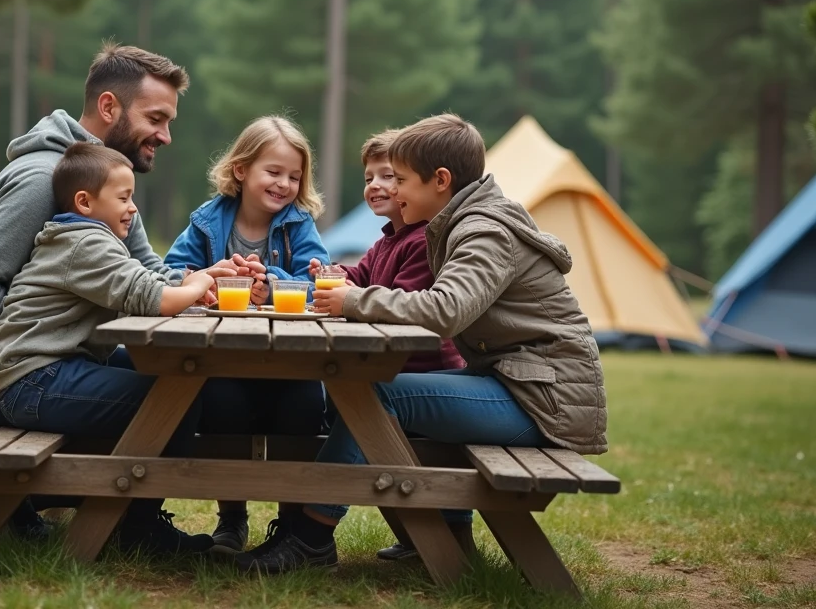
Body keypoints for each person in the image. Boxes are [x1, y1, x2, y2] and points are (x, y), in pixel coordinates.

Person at [234, 113, 609, 576]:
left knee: (375, 394)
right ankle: (442, 539)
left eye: (403, 180)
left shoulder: (485, 231)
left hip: (542, 401)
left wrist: (354, 300)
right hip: (520, 385)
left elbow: (445, 309)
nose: (395, 192)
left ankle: (310, 538)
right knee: (379, 392)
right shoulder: (459, 223)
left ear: (441, 181)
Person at [0, 43, 244, 541]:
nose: (165, 135)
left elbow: (144, 273)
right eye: (155, 118)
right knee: (168, 400)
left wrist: (204, 281)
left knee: (189, 380)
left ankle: (45, 505)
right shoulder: (42, 179)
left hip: (56, 360)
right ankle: (103, 521)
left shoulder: (105, 180)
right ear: (109, 106)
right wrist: (59, 342)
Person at [0, 143, 217, 554]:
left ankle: (131, 517)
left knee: (172, 382)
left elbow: (145, 283)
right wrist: (198, 284)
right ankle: (139, 529)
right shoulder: (85, 244)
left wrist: (193, 283)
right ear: (85, 202)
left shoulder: (83, 238)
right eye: (124, 198)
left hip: (44, 372)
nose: (133, 208)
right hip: (34, 380)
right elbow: (153, 297)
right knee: (172, 399)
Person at [165, 115, 330, 555]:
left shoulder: (299, 225)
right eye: (273, 171)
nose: (284, 184)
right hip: (225, 356)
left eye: (294, 176)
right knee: (220, 405)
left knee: (305, 407)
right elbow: (171, 272)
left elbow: (317, 283)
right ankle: (232, 517)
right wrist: (209, 277)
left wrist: (272, 281)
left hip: (292, 360)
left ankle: (291, 523)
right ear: (241, 170)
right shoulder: (206, 221)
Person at [307, 129, 468, 562]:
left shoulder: (423, 241)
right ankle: (424, 537)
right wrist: (334, 275)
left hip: (427, 374)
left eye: (390, 177)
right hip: (397, 370)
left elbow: (400, 302)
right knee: (342, 403)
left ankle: (311, 532)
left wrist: (352, 298)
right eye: (369, 178)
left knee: (359, 409)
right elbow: (361, 279)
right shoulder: (386, 241)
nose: (377, 186)